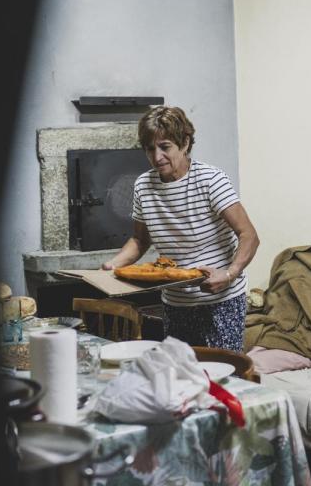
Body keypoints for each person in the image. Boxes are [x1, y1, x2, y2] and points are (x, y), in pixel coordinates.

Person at [101, 106, 259, 352]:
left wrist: (230, 274)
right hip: (175, 303)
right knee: (180, 371)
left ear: (184, 143)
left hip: (221, 300)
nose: (157, 157)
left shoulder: (210, 180)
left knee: (223, 372)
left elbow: (249, 235)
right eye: (150, 149)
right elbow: (140, 240)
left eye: (165, 147)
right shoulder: (143, 185)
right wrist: (114, 265)